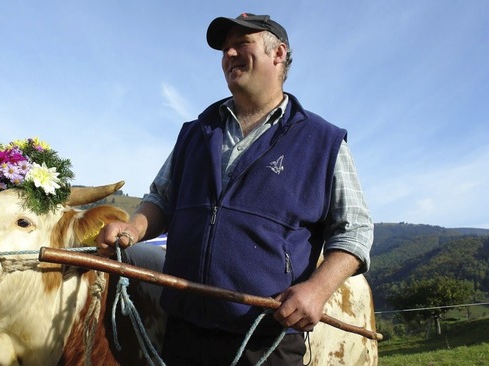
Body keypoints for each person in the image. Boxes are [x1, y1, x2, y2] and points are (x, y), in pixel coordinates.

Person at [96, 13, 374, 365]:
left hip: (266, 337)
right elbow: (162, 200)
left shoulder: (324, 141)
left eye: (241, 44)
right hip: (183, 330)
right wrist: (133, 228)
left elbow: (355, 231)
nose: (228, 54)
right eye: (224, 48)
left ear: (278, 54)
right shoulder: (196, 133)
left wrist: (317, 290)